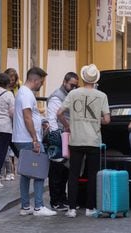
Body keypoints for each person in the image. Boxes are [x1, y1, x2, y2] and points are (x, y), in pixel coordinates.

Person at [57, 64, 111, 218]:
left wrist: (68, 126)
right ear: (95, 80)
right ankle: (90, 208)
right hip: (93, 141)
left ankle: (72, 209)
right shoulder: (102, 96)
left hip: (76, 139)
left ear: (83, 78)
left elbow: (59, 112)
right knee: (92, 175)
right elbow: (107, 120)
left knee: (73, 175)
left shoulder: (73, 94)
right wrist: (94, 119)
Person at [12, 67, 57, 217]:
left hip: (23, 138)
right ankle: (38, 206)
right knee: (40, 171)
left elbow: (30, 116)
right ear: (35, 80)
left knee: (26, 172)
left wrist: (41, 122)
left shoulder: (24, 93)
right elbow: (27, 117)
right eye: (41, 82)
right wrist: (35, 139)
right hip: (28, 139)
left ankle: (26, 206)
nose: (42, 85)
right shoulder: (26, 94)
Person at [46, 72, 79, 211]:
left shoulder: (69, 95)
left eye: (76, 86)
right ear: (64, 82)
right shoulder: (56, 97)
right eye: (72, 85)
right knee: (56, 170)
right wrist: (57, 137)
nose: (74, 88)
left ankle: (62, 198)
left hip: (66, 136)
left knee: (65, 169)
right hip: (59, 136)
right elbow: (52, 118)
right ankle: (55, 200)